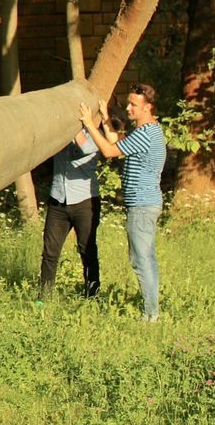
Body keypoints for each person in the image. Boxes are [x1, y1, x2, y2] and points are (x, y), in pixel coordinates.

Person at [80, 83, 167, 322]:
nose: (128, 108)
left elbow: (108, 151)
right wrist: (106, 118)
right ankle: (152, 311)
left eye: (133, 105)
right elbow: (116, 141)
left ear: (147, 107)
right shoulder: (150, 130)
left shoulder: (145, 134)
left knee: (140, 260)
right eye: (128, 102)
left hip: (141, 206)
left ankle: (151, 315)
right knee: (147, 258)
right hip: (146, 204)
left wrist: (89, 124)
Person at [40, 100, 118, 298]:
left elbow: (84, 149)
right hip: (58, 199)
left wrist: (74, 127)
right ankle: (44, 296)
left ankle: (92, 295)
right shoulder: (59, 137)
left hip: (85, 202)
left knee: (87, 249)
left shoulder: (94, 136)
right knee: (50, 252)